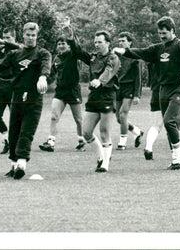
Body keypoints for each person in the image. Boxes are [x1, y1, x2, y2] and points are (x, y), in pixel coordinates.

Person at [114, 16, 180, 170]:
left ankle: (177, 158)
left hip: (178, 88)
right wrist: (124, 51)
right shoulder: (158, 48)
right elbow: (141, 52)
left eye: (164, 33)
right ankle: (176, 157)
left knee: (169, 120)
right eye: (159, 33)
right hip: (163, 89)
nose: (162, 36)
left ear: (172, 30)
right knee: (168, 123)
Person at [0, 22, 51, 180]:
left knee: (26, 131)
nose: (30, 38)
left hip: (33, 98)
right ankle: (14, 165)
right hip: (17, 96)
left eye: (33, 35)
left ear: (37, 36)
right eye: (28, 35)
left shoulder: (43, 53)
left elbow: (45, 67)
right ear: (23, 35)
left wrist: (43, 77)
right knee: (14, 131)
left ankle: (22, 163)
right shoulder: (15, 54)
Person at [68, 30, 120, 172]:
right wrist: (70, 34)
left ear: (108, 43)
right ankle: (101, 157)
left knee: (104, 132)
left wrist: (100, 81)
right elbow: (77, 51)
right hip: (94, 97)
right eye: (95, 42)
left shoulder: (113, 58)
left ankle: (105, 164)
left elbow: (109, 71)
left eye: (100, 42)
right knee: (86, 133)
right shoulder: (92, 58)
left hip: (107, 96)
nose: (96, 45)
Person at [39, 21, 85, 152]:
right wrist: (42, 81)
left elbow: (77, 47)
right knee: (54, 116)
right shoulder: (57, 59)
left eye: (63, 43)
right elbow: (51, 73)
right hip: (60, 91)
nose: (60, 46)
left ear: (68, 46)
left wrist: (70, 32)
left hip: (73, 91)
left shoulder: (73, 55)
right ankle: (51, 142)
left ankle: (81, 140)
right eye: (58, 44)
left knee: (78, 119)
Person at [113, 32, 145, 151]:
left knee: (123, 114)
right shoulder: (116, 56)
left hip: (129, 88)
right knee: (118, 118)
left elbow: (139, 78)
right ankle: (137, 132)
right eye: (119, 41)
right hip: (118, 88)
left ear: (130, 42)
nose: (121, 43)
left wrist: (137, 95)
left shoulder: (135, 57)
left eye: (123, 40)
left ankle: (122, 142)